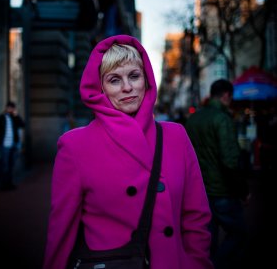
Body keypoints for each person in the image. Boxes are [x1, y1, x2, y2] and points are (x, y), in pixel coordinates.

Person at [43, 35, 214, 269]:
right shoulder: (74, 146)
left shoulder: (176, 136)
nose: (127, 87)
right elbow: (61, 232)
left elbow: (196, 216)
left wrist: (196, 262)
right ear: (100, 88)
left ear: (146, 79)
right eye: (114, 80)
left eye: (134, 75)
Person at [185, 79, 250, 269]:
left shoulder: (194, 118)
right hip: (223, 191)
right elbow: (230, 161)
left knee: (208, 240)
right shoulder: (222, 119)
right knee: (239, 235)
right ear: (226, 95)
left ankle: (209, 263)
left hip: (200, 190)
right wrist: (243, 191)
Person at [0, 101, 25, 190]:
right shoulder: (0, 118)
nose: (11, 109)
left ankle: (10, 183)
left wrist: (16, 115)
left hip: (13, 145)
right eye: (10, 107)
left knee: (11, 165)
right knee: (4, 165)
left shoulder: (14, 118)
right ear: (6, 107)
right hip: (4, 145)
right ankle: (3, 184)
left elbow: (22, 124)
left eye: (13, 108)